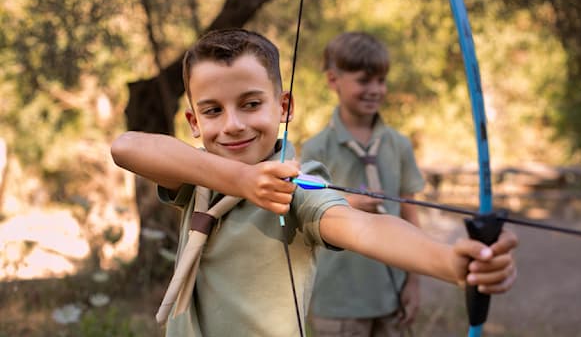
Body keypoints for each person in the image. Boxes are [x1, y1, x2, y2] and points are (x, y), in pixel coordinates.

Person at [110, 28, 518, 337]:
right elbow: (126, 147)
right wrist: (243, 179)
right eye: (213, 110)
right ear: (194, 123)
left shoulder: (297, 186)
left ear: (283, 106)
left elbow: (364, 227)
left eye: (251, 104)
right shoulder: (198, 177)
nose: (233, 124)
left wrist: (448, 263)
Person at [301, 31, 424, 336]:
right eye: (364, 80)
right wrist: (350, 204)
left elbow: (411, 213)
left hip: (391, 295)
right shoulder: (317, 149)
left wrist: (415, 280)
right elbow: (306, 214)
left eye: (381, 81)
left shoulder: (399, 144)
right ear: (333, 80)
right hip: (338, 301)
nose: (375, 90)